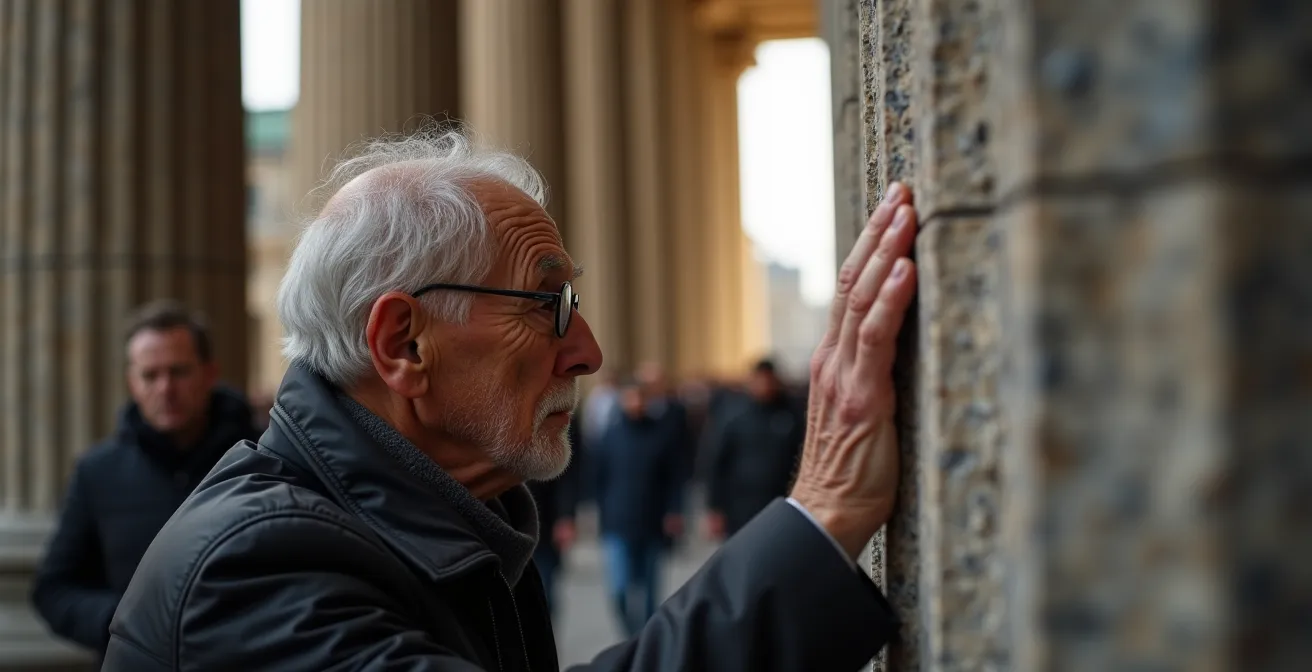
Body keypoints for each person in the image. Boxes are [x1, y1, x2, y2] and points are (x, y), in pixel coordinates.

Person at [104, 128, 921, 671]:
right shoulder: (253, 569)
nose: (589, 351)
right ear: (403, 345)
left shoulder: (455, 514)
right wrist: (821, 512)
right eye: (548, 305)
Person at [31, 301, 261, 659]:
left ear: (209, 373)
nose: (165, 388)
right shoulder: (97, 472)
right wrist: (125, 620)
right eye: (150, 376)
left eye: (179, 372)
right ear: (132, 382)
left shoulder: (261, 460)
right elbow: (54, 589)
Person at [592, 379, 687, 636]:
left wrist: (675, 510)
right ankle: (629, 634)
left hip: (652, 520)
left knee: (648, 590)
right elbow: (598, 477)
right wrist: (598, 512)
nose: (636, 404)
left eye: (640, 398)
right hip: (617, 521)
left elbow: (675, 477)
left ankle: (643, 638)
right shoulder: (611, 435)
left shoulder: (661, 434)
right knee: (619, 588)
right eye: (631, 398)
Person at [705, 358, 808, 540]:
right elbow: (715, 462)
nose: (765, 386)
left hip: (780, 504)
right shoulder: (733, 414)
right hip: (740, 507)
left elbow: (803, 457)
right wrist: (715, 508)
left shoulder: (791, 414)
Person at [525, 419, 581, 615]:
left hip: (546, 522)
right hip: (504, 519)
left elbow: (570, 472)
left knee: (544, 592)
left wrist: (566, 517)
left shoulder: (558, 410)